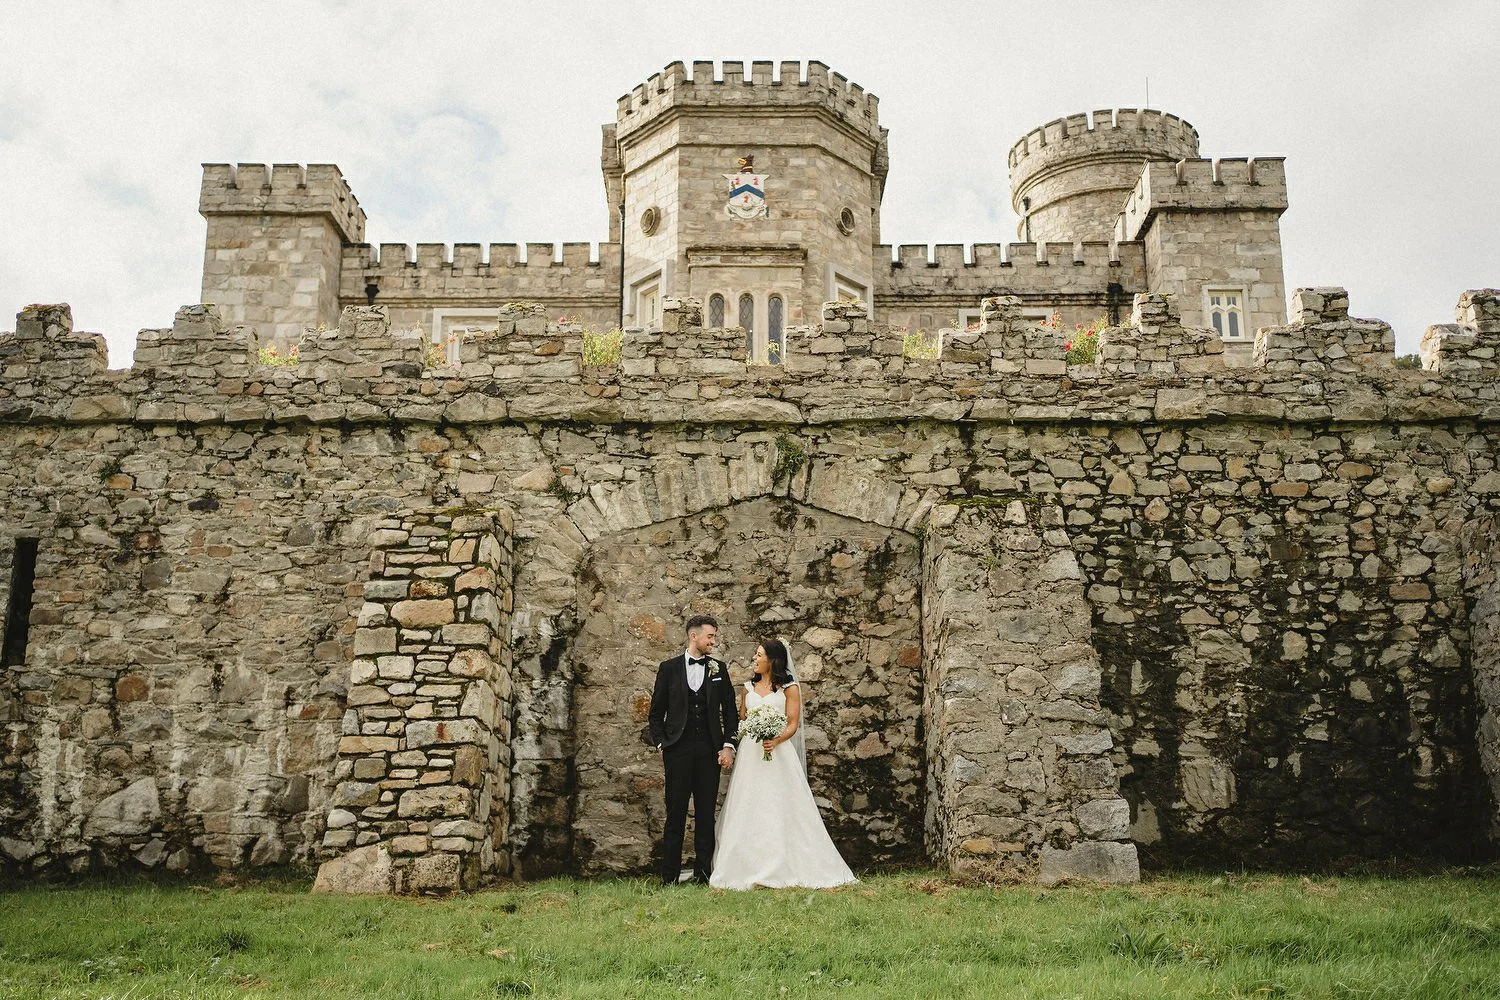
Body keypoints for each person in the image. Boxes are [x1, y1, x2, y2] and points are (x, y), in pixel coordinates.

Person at [710, 637, 856, 890]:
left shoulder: (789, 688)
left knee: (781, 804)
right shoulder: (747, 688)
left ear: (772, 660)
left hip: (779, 754)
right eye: (755, 655)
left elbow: (792, 723)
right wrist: (754, 730)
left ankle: (789, 863)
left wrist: (775, 740)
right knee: (749, 804)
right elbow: (743, 720)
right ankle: (744, 865)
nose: (754, 659)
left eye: (758, 655)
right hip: (751, 756)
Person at [648, 614, 738, 885]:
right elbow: (655, 713)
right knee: (675, 814)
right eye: (710, 636)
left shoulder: (718, 669)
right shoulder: (669, 668)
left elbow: (731, 712)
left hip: (709, 752)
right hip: (678, 751)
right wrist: (663, 742)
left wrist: (728, 745)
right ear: (694, 636)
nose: (714, 641)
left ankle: (703, 875)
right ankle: (669, 877)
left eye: (714, 636)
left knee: (705, 813)